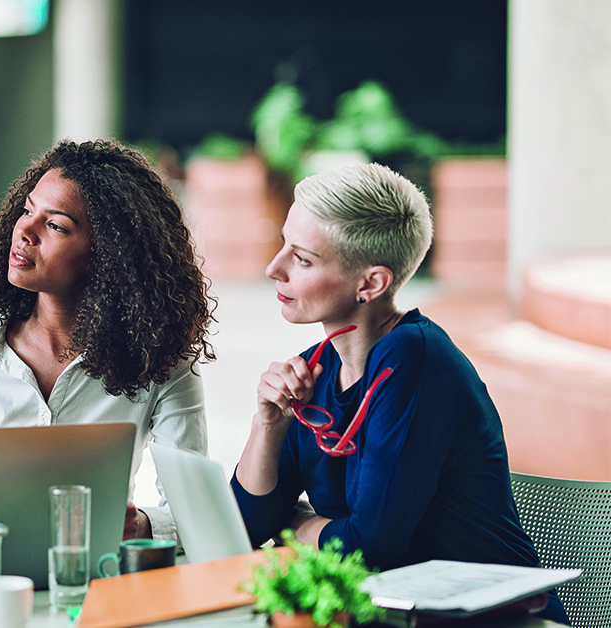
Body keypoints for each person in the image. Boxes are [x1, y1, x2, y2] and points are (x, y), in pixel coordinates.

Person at [231, 163, 567, 623]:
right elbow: (246, 526)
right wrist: (267, 426)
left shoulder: (415, 358)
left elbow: (369, 546)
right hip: (391, 615)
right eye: (283, 245)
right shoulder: (317, 366)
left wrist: (297, 524)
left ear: (371, 283)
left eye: (303, 259)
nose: (274, 268)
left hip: (497, 619)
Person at [0, 139, 216, 541]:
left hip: (95, 577)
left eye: (56, 225)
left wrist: (144, 525)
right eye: (27, 210)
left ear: (108, 255)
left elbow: (196, 506)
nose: (24, 230)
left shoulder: (161, 357)